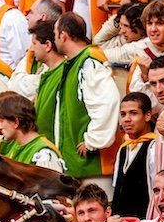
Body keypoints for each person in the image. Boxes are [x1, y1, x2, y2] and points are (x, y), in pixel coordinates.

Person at [36, 13, 120, 190]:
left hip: (94, 165)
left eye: (55, 33)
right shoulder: (74, 63)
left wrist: (93, 141)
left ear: (63, 35)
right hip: (77, 164)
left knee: (98, 212)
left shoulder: (89, 60)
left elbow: (107, 102)